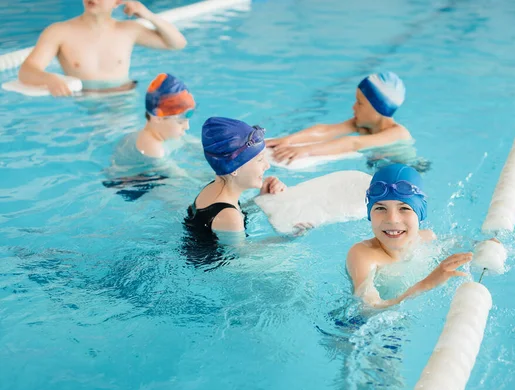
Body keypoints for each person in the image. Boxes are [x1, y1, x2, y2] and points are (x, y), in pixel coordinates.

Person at [346, 163, 472, 308]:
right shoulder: (363, 254)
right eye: (380, 208)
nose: (392, 219)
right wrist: (428, 283)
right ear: (369, 214)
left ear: (420, 214)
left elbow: (459, 245)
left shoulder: (426, 238)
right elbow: (367, 309)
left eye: (404, 208)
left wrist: (484, 247)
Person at [184, 117, 311, 245]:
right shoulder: (230, 217)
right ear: (234, 167)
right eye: (260, 160)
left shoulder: (214, 189)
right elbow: (241, 258)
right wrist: (288, 237)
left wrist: (261, 199)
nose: (267, 165)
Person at [18, 0, 187, 96]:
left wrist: (147, 14)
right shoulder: (59, 32)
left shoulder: (128, 30)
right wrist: (50, 79)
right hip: (84, 104)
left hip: (123, 100)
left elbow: (177, 43)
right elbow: (27, 70)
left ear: (117, 2)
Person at [266, 72, 428, 171]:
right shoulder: (365, 124)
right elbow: (326, 131)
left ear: (377, 108)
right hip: (379, 165)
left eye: (360, 103)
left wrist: (306, 150)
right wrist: (288, 140)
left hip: (406, 172)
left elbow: (353, 143)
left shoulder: (397, 133)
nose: (353, 107)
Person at [104, 72, 196, 201]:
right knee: (177, 199)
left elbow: (191, 143)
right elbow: (179, 176)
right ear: (157, 118)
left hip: (146, 173)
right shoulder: (152, 147)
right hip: (129, 185)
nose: (187, 127)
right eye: (181, 122)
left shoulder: (164, 132)